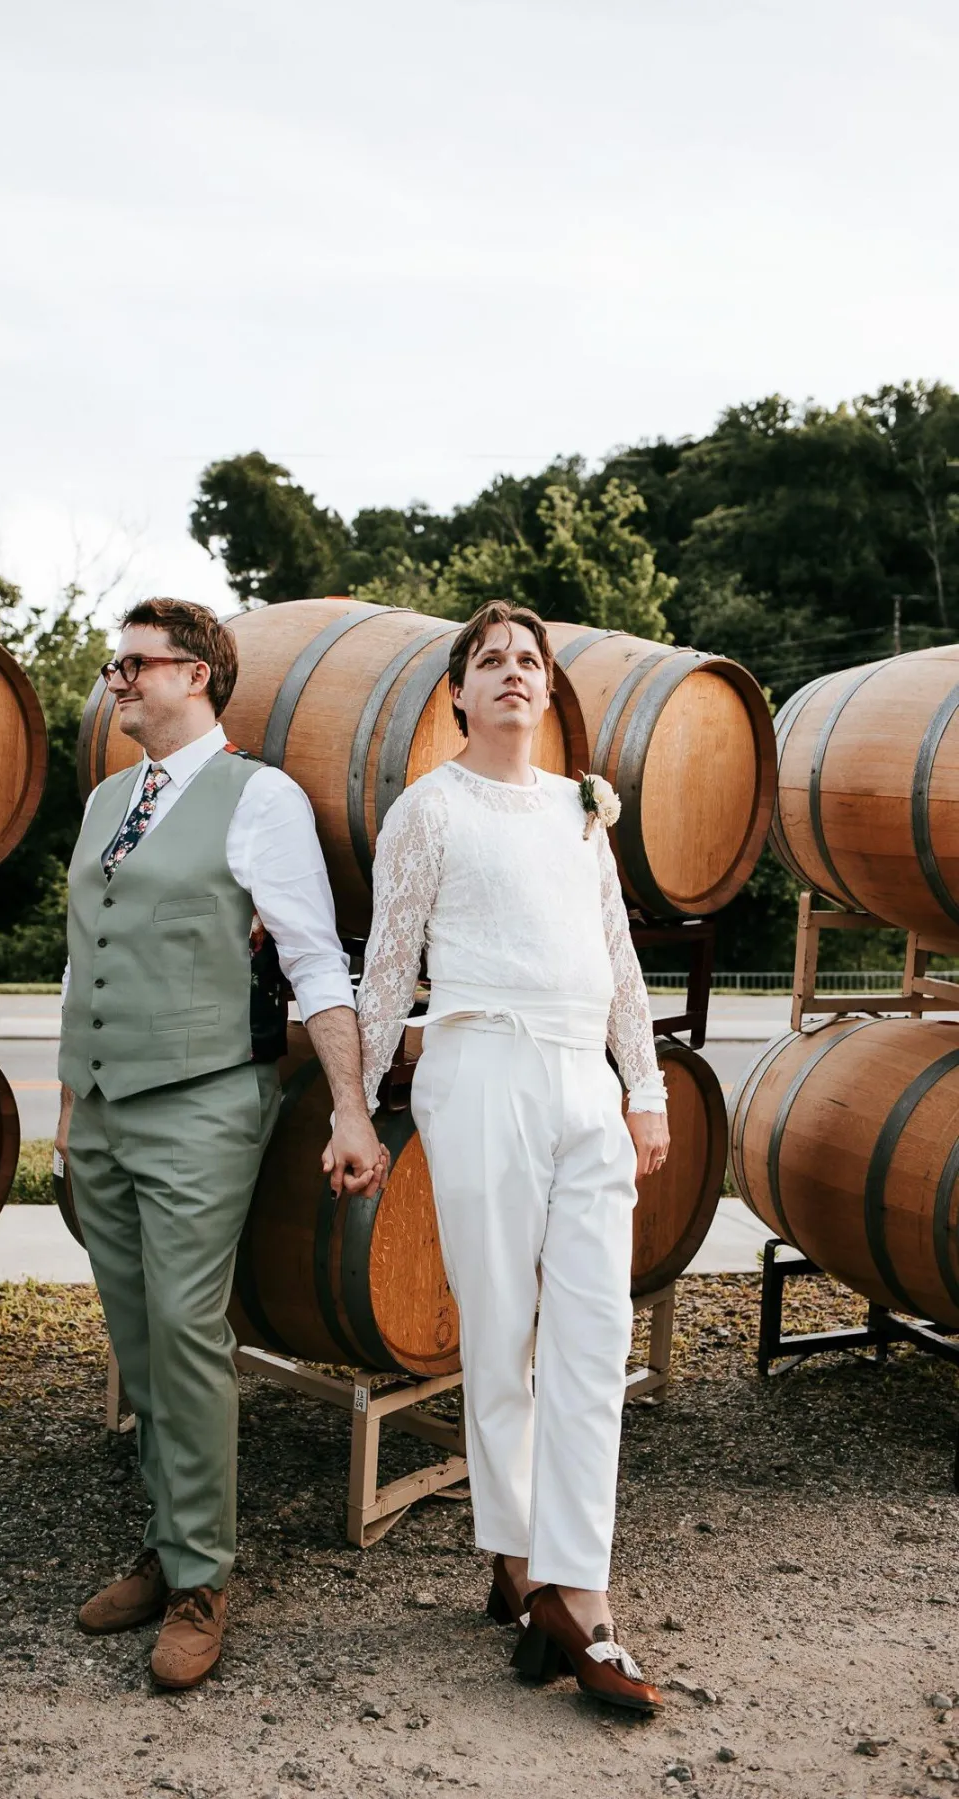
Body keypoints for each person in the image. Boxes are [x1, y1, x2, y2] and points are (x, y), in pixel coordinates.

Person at [57, 598, 386, 1691]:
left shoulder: (262, 798)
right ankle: (166, 1538)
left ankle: (202, 1579)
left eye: (133, 663)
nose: (117, 679)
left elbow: (314, 957)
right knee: (135, 1332)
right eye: (118, 663)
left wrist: (349, 1104)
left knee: (189, 1327)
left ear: (195, 676)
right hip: (104, 1103)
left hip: (203, 1097)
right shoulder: (109, 796)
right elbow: (80, 959)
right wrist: (68, 1112)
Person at [354, 599, 670, 1715]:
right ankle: (527, 1568)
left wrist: (645, 1085)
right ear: (458, 693)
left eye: (528, 661)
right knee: (501, 1334)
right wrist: (353, 1103)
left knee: (594, 1336)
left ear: (547, 689)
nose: (511, 674)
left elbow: (619, 953)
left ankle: (578, 1585)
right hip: (479, 1067)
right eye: (488, 660)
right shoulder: (428, 810)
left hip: (584, 1076)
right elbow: (388, 969)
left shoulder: (584, 811)